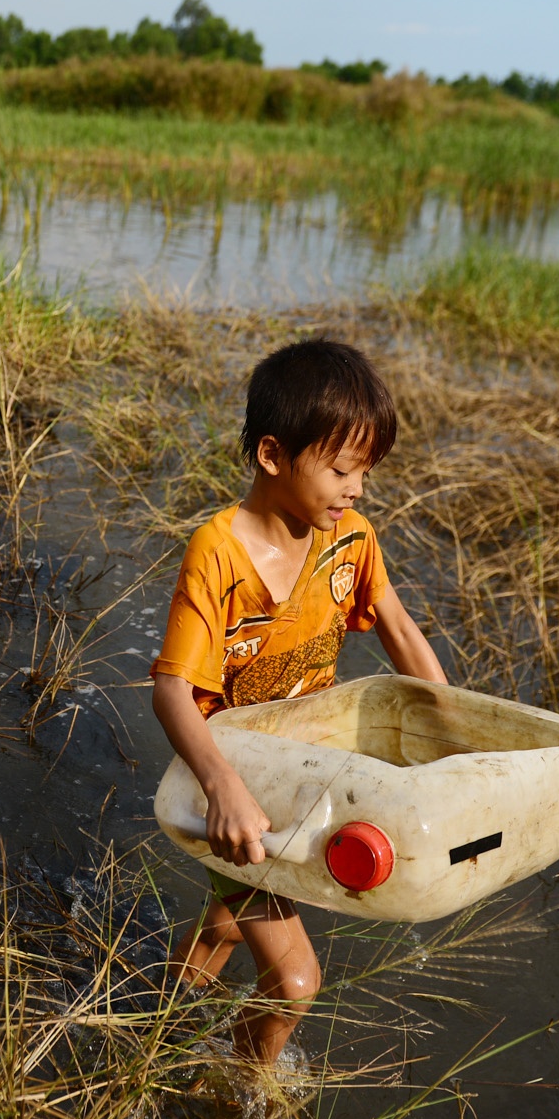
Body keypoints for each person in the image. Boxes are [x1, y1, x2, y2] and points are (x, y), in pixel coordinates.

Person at [151, 338, 447, 1067]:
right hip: (233, 786)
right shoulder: (218, 553)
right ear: (273, 455)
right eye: (341, 470)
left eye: (367, 471)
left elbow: (399, 630)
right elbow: (171, 689)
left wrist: (454, 735)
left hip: (304, 776)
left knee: (228, 923)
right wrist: (222, 788)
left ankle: (156, 1033)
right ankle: (244, 1096)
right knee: (293, 983)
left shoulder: (350, 540)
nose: (357, 489)